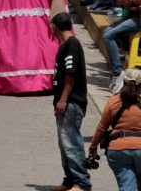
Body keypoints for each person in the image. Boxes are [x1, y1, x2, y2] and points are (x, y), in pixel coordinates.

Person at [51, 12, 91, 191]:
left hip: (71, 103)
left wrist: (63, 100)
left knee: (72, 143)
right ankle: (70, 180)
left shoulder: (72, 44)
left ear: (55, 28)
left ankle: (82, 183)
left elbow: (70, 74)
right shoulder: (66, 45)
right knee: (64, 144)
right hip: (64, 103)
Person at [89, 68, 141, 191]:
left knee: (127, 186)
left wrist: (93, 148)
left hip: (118, 150)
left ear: (123, 82)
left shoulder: (113, 101)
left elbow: (102, 127)